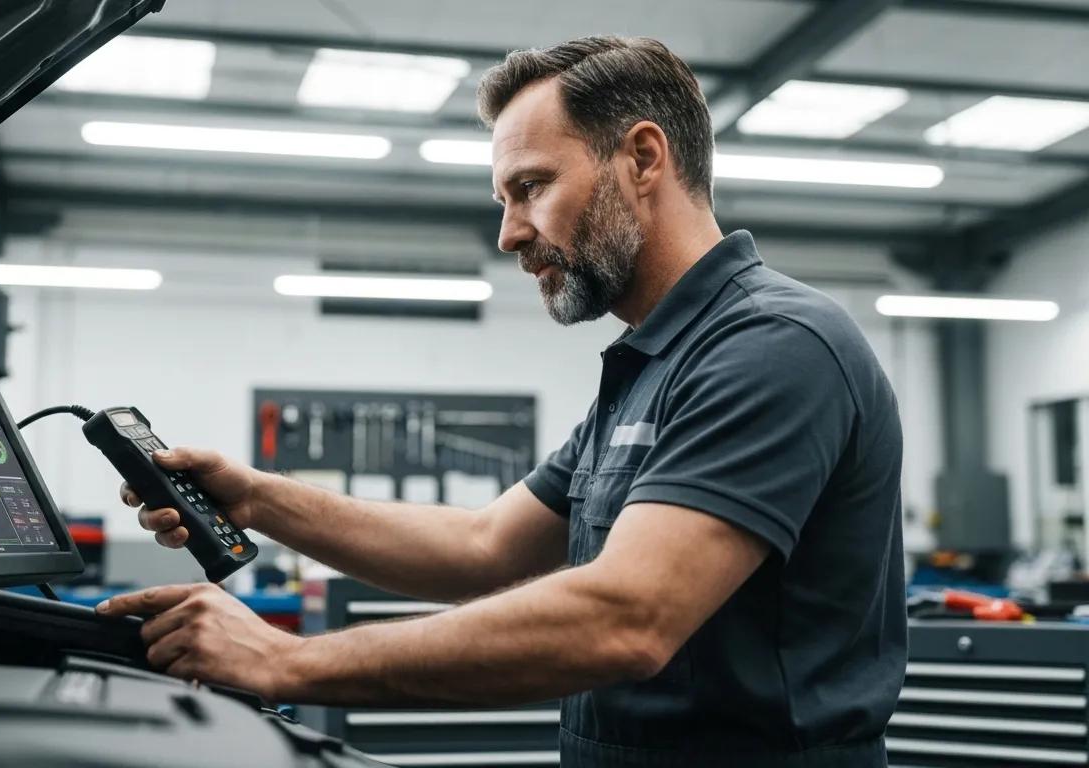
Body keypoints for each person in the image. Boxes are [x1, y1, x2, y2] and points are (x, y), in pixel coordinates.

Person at [98, 35, 905, 768]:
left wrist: (284, 661)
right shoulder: (654, 361)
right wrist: (257, 497)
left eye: (531, 187)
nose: (510, 233)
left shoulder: (773, 345)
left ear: (644, 158)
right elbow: (482, 547)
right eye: (504, 201)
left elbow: (626, 616)